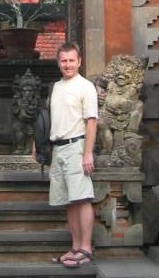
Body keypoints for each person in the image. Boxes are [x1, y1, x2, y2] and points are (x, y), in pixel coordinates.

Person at [48, 41, 98, 268]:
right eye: (64, 61)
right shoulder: (57, 87)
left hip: (77, 147)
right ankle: (75, 246)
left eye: (71, 60)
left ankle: (86, 249)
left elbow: (92, 122)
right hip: (58, 148)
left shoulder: (85, 86)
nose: (68, 65)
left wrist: (87, 153)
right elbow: (51, 119)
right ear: (59, 63)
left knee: (82, 198)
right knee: (69, 202)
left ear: (79, 61)